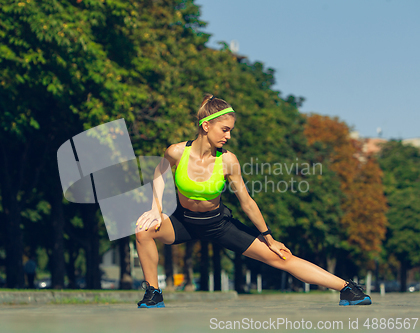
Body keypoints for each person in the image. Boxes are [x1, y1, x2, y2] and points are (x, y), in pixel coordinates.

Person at [135, 94, 371, 308]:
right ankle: (154, 294)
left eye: (231, 131)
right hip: (183, 222)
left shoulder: (228, 161)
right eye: (225, 130)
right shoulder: (176, 152)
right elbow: (159, 174)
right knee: (143, 229)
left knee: (280, 257)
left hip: (218, 224)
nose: (228, 136)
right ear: (206, 126)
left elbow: (247, 202)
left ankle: (348, 288)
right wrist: (156, 208)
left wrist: (269, 238)